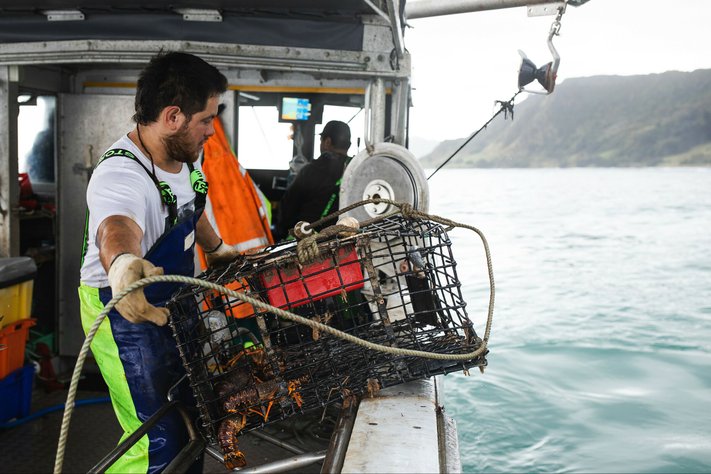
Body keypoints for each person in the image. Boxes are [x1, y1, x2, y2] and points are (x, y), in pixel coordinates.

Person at [78, 52, 240, 473]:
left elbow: (190, 207)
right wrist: (122, 265)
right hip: (123, 313)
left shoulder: (186, 154)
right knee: (158, 439)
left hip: (173, 301)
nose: (211, 130)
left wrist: (218, 247)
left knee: (196, 420)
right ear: (173, 117)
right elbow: (115, 229)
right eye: (206, 119)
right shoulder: (121, 176)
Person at [276, 120, 352, 240]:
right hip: (343, 241)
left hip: (309, 241)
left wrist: (281, 233)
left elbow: (287, 209)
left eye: (321, 141)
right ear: (349, 145)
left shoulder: (310, 171)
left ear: (327, 142)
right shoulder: (356, 172)